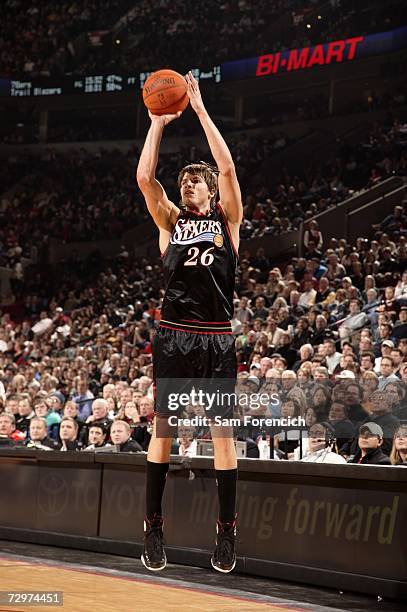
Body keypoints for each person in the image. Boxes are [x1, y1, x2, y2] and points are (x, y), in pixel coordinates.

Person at [137, 72, 242, 573]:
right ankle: (152, 528)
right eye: (184, 182)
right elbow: (144, 180)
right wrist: (157, 124)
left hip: (217, 336)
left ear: (208, 191)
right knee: (164, 431)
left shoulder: (228, 220)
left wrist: (199, 111)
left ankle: (226, 534)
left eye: (193, 181)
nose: (188, 184)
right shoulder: (170, 224)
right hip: (175, 335)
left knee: (223, 434)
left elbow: (226, 166)